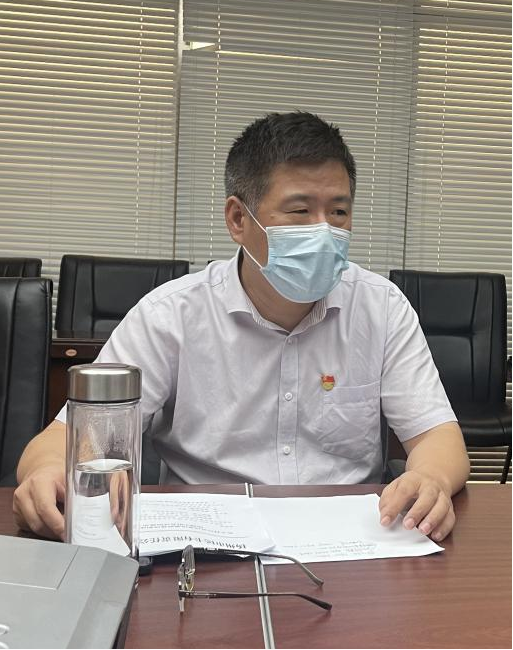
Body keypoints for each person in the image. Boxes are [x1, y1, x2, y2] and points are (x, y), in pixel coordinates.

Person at [14, 111, 470, 542]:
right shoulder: (171, 314)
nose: (324, 231)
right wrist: (46, 472)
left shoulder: (380, 307)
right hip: (205, 543)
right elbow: (66, 439)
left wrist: (429, 478)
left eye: (338, 213)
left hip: (350, 541)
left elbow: (437, 435)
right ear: (238, 219)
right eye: (299, 212)